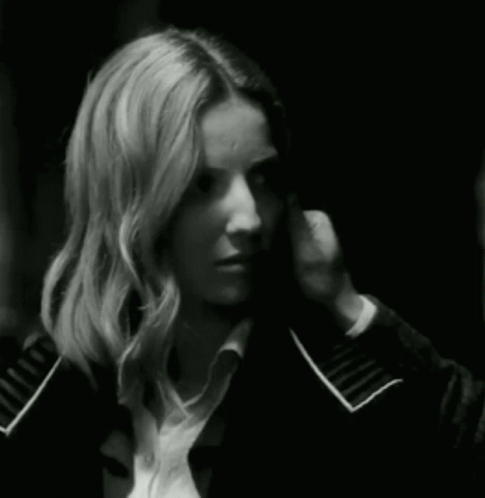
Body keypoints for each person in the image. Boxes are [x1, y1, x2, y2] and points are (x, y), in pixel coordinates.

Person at [1, 26, 485, 497]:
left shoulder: (340, 396)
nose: (250, 218)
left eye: (263, 179)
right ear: (130, 200)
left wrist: (350, 309)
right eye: (203, 185)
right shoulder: (37, 400)